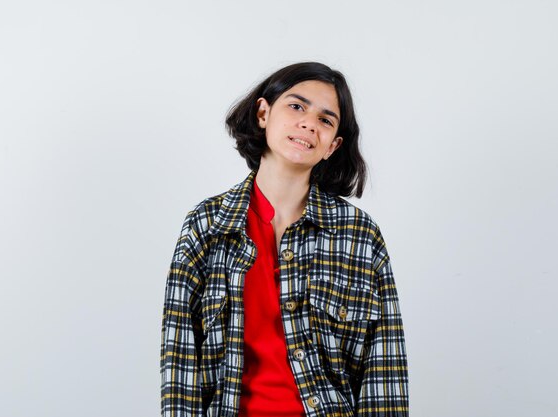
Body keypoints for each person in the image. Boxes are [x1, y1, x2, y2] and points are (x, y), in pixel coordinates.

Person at [160, 62, 409, 417]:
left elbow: (384, 371)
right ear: (263, 113)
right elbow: (180, 362)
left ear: (332, 145)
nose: (309, 123)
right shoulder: (206, 225)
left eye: (326, 120)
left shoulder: (359, 234)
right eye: (296, 106)